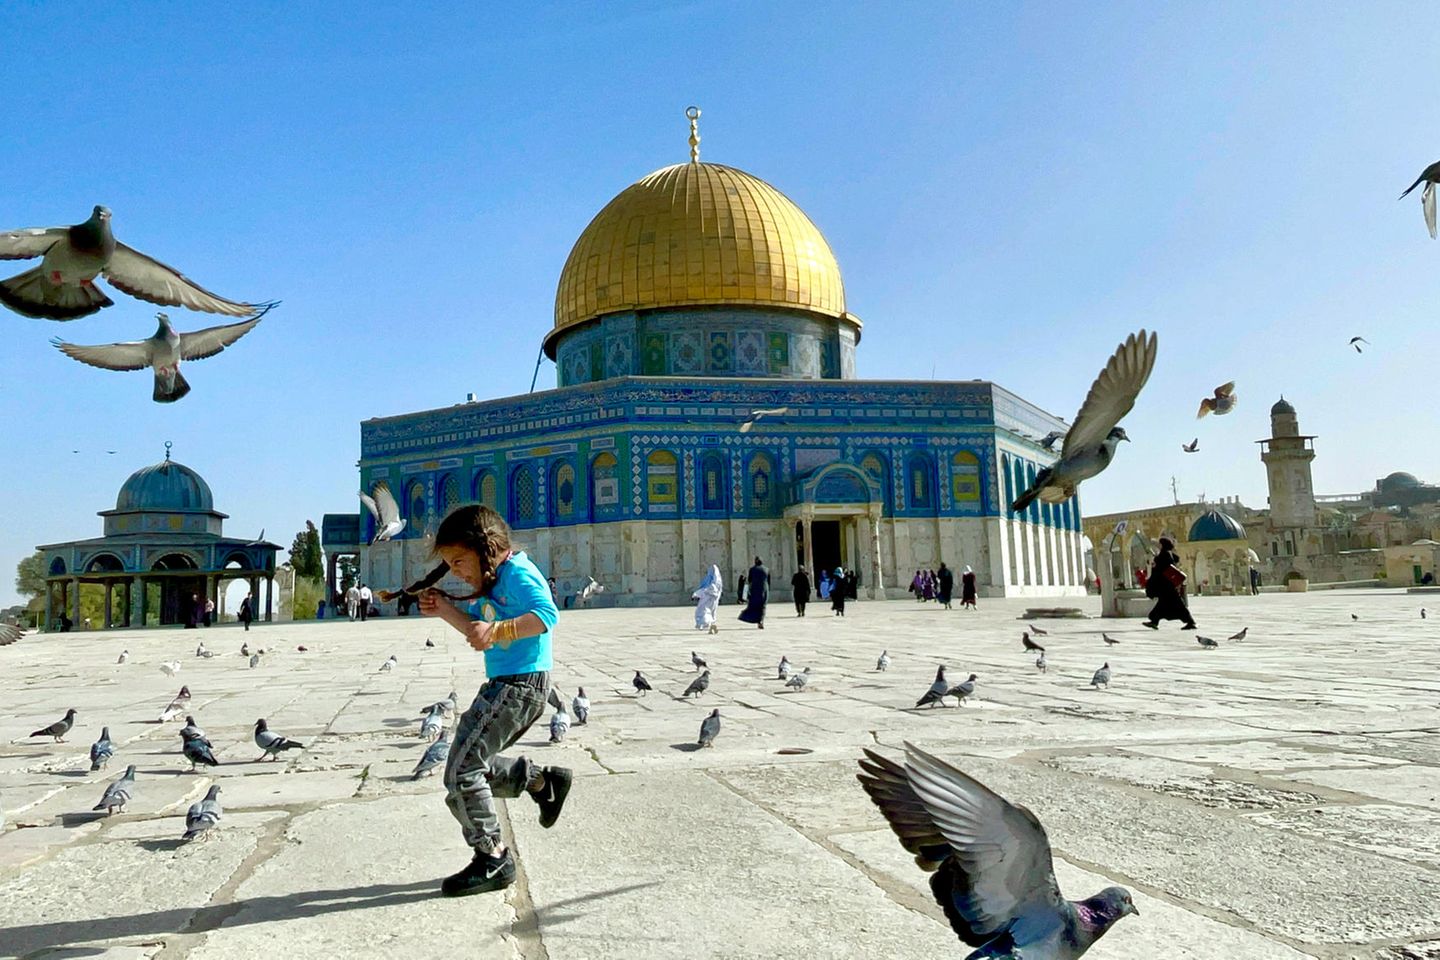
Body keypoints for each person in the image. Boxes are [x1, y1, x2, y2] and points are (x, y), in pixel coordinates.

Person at [418, 504, 570, 898]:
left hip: (520, 686)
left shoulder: (518, 573)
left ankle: (493, 857)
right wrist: (444, 609)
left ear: (487, 549)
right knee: (466, 765)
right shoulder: (496, 581)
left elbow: (546, 614)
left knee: (462, 771)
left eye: (458, 561)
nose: (455, 572)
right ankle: (541, 782)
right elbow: (478, 630)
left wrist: (499, 629)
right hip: (507, 684)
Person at [1142, 536, 1196, 630]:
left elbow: (1162, 567)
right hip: (1168, 585)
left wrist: (1155, 560)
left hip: (1167, 586)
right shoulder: (1167, 553)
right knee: (1167, 604)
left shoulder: (1165, 554)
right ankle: (1155, 621)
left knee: (1177, 605)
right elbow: (1175, 560)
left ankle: (1190, 622)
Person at [737, 556, 770, 629]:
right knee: (763, 606)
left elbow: (750, 580)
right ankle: (761, 621)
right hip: (764, 589)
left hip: (755, 589)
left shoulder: (752, 569)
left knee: (754, 605)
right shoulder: (767, 569)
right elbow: (768, 581)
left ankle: (752, 618)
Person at [692, 564, 723, 633]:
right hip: (713, 602)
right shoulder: (717, 584)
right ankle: (712, 627)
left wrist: (695, 595)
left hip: (706, 602)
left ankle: (704, 625)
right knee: (712, 613)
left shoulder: (710, 584)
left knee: (703, 613)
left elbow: (704, 590)